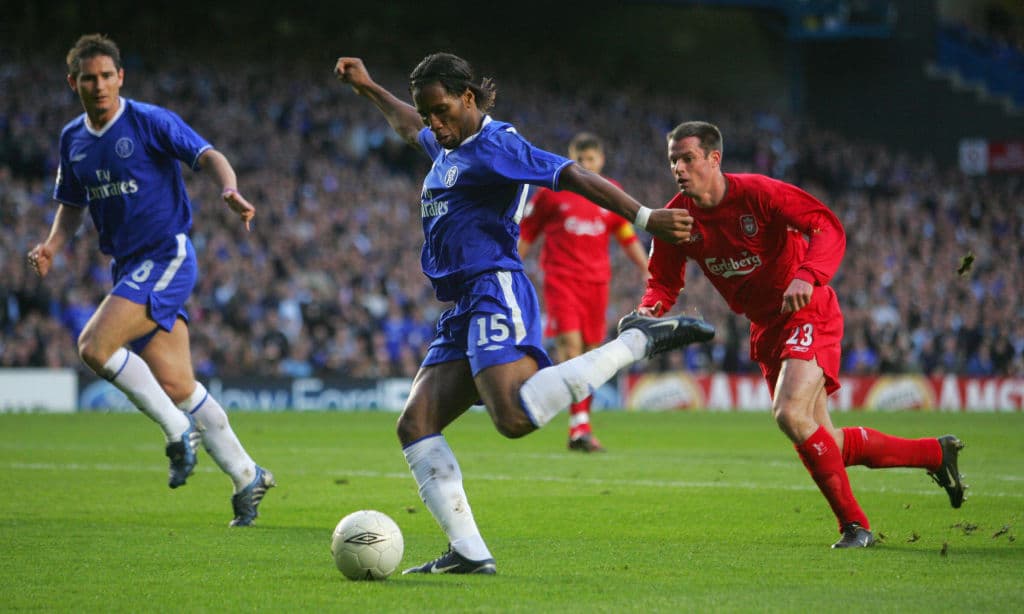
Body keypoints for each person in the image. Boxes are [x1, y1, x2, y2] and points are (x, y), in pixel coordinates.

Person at [334, 52, 714, 574]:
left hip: (494, 286)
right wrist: (369, 87)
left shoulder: (496, 144)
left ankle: (638, 342)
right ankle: (469, 553)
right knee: (416, 424)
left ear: (468, 97)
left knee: (511, 418)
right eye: (429, 116)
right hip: (463, 304)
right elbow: (407, 125)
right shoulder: (446, 144)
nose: (435, 124)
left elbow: (571, 174)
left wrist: (645, 216)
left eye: (442, 110)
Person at [633, 120, 967, 548]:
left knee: (789, 414)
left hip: (808, 310)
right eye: (673, 160)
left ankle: (855, 526)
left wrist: (808, 275)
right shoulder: (675, 218)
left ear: (714, 159)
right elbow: (662, 283)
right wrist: (647, 311)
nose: (678, 168)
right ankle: (935, 454)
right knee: (824, 440)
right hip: (767, 328)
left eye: (688, 158)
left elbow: (826, 225)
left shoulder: (759, 193)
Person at [28, 34, 274, 527]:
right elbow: (72, 204)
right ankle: (247, 475)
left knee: (93, 346)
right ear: (72, 82)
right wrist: (54, 245)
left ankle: (176, 432)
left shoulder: (148, 121)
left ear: (121, 77)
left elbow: (208, 154)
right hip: (128, 267)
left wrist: (228, 187)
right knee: (178, 384)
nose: (98, 86)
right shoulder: (72, 139)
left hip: (167, 255)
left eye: (106, 76)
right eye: (88, 79)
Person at [518, 132, 649, 452]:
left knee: (592, 354)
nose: (586, 165)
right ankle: (579, 427)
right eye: (580, 159)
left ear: (600, 161)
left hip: (597, 284)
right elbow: (527, 234)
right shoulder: (552, 193)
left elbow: (626, 235)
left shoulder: (610, 193)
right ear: (571, 158)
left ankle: (580, 426)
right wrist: (507, 269)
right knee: (571, 347)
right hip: (561, 280)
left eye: (591, 159)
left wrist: (647, 269)